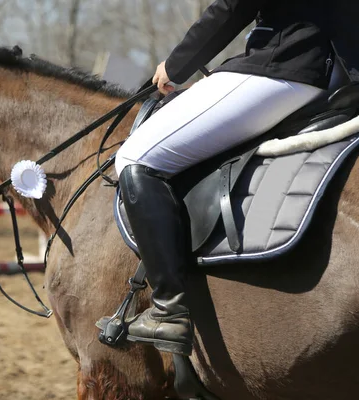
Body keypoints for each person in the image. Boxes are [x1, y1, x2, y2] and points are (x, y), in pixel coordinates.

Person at [105, 0, 359, 356]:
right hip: (335, 75)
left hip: (283, 65)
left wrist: (176, 66)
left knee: (135, 156)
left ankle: (168, 308)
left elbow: (232, 6)